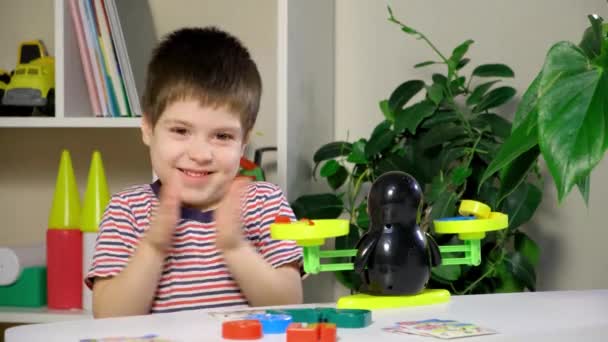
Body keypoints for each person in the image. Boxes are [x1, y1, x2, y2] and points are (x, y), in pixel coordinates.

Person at [85, 27, 303, 317]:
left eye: (222, 136)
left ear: (244, 140)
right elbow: (108, 318)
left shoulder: (264, 203)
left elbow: (290, 305)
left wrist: (235, 247)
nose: (200, 154)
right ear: (148, 128)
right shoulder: (127, 211)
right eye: (180, 130)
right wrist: (153, 246)